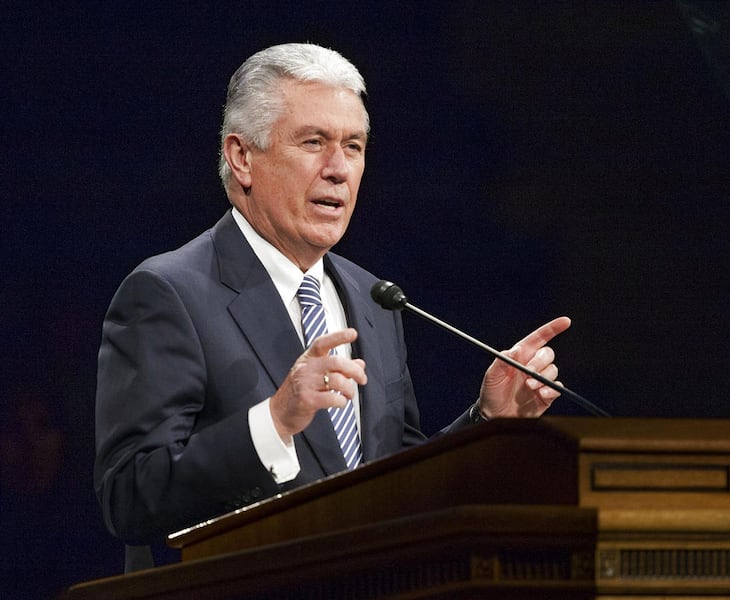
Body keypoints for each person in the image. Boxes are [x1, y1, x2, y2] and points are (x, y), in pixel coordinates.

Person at [94, 42, 571, 571]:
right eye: (313, 142)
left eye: (353, 146)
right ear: (242, 157)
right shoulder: (168, 293)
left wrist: (487, 421)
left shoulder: (375, 300)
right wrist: (274, 422)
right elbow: (129, 498)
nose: (339, 169)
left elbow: (395, 484)